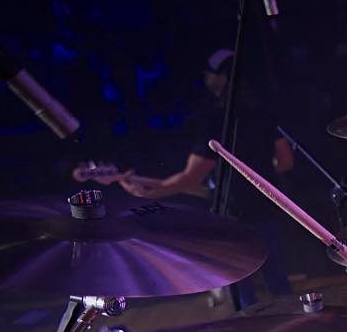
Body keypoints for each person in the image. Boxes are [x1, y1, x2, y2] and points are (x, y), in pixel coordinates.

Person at [76, 49, 297, 306]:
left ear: (224, 77)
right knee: (278, 281)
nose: (205, 78)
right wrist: (258, 172)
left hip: (233, 213)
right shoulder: (263, 111)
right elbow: (286, 162)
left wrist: (149, 194)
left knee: (242, 291)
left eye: (209, 73)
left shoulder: (216, 120)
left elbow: (190, 179)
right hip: (268, 207)